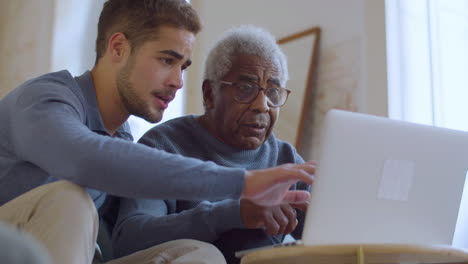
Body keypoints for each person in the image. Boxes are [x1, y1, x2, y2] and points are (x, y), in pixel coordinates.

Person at [0, 0, 315, 263]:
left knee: (199, 255)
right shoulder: (44, 99)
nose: (178, 82)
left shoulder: (122, 137)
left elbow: (120, 238)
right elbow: (86, 159)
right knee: (69, 200)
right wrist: (244, 183)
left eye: (184, 67)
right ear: (118, 47)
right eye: (168, 60)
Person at [112, 25, 310, 264]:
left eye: (273, 92)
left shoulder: (286, 159)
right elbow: (128, 238)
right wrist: (234, 214)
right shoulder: (162, 146)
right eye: (246, 89)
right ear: (209, 94)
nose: (262, 105)